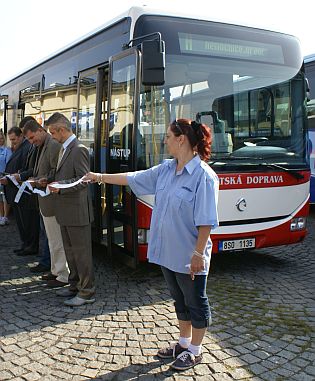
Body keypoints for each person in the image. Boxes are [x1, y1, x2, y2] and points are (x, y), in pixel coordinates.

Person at [83, 118, 219, 371]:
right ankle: (183, 343)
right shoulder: (167, 169)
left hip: (190, 255)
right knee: (180, 301)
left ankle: (196, 351)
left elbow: (206, 222)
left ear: (181, 140)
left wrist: (199, 253)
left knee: (196, 302)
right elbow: (134, 177)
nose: (164, 140)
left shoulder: (204, 177)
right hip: (168, 252)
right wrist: (99, 177)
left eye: (168, 136)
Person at [47, 112, 95, 306]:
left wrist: (61, 185)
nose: (52, 136)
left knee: (81, 254)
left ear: (62, 130)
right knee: (71, 252)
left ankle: (87, 292)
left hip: (77, 211)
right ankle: (75, 285)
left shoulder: (78, 149)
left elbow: (84, 179)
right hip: (66, 210)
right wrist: (49, 179)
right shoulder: (64, 148)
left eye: (52, 132)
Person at [22, 119, 69, 287]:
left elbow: (57, 171)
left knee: (57, 240)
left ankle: (62, 275)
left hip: (52, 200)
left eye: (32, 137)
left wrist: (43, 179)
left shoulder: (53, 145)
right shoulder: (42, 145)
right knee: (52, 239)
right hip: (45, 199)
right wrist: (35, 178)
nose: (31, 142)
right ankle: (56, 270)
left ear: (41, 130)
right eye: (28, 139)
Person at [0, 126, 35, 254]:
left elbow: (25, 168)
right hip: (15, 188)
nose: (12, 142)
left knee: (26, 221)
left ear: (21, 136)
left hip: (22, 190)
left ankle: (30, 245)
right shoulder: (19, 147)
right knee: (21, 222)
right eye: (11, 140)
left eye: (14, 139)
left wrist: (13, 176)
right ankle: (25, 244)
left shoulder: (26, 147)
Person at [0, 131, 12, 225]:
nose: (0, 140)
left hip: (3, 176)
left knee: (5, 197)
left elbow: (9, 164)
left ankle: (6, 216)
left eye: (2, 138)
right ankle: (1, 215)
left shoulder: (7, 150)